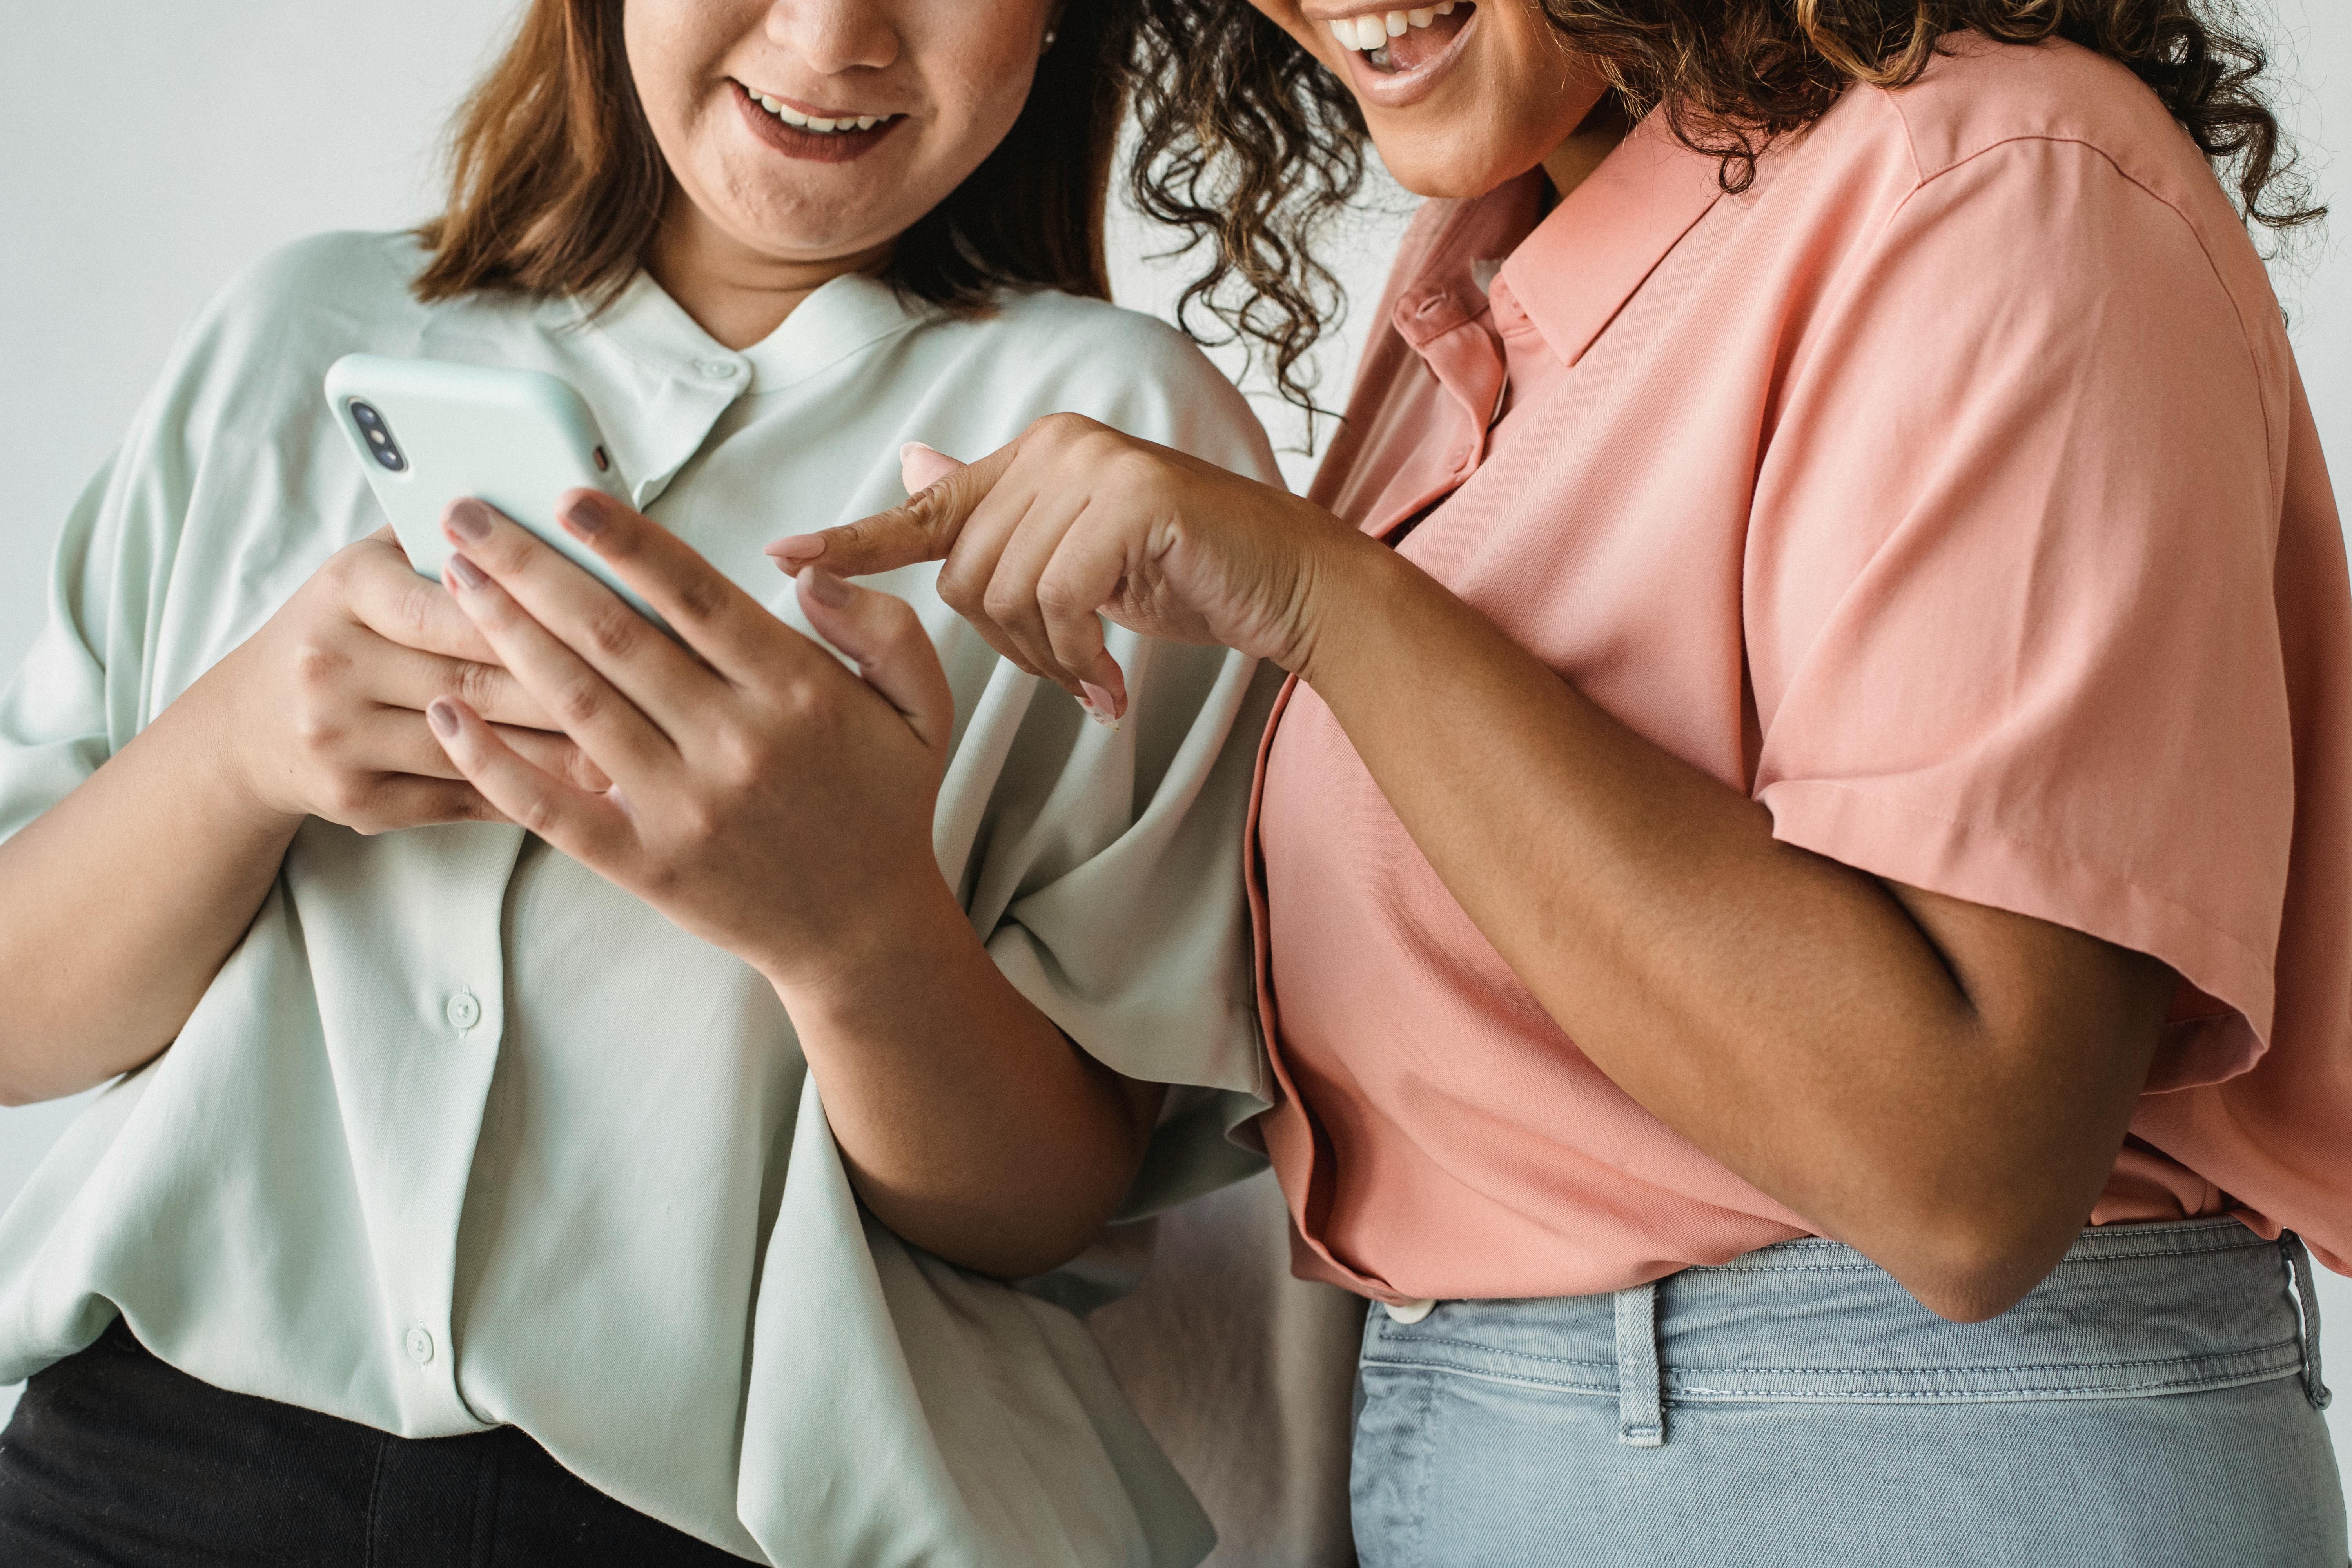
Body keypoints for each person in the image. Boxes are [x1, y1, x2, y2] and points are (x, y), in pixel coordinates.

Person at [778, 0, 2352, 1560]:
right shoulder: (1503, 255)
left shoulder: (2000, 177)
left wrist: (1330, 601)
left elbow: (1965, 1173)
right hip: (1488, 1440)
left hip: (1906, 1453)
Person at [0, 1, 1292, 1562]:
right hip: (136, 1469)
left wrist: (856, 928)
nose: (832, 36)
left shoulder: (1128, 453)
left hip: (719, 1520)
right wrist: (235, 749)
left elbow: (1047, 1211)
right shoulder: (297, 335)